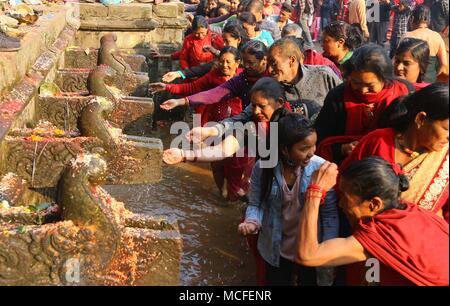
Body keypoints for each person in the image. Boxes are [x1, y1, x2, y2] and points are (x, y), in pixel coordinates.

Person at [296, 156, 449, 286]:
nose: (340, 204)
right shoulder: (409, 211)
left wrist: (314, 192)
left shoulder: (382, 233)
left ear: (374, 204)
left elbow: (307, 255)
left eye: (345, 197)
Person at [238, 112, 339, 286]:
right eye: (304, 148)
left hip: (310, 247)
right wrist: (252, 222)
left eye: (314, 145)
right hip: (275, 247)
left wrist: (328, 250)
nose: (311, 153)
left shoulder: (321, 169)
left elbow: (329, 215)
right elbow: (256, 203)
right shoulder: (263, 168)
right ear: (284, 149)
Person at [341, 83, 449, 220]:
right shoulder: (378, 141)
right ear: (421, 119)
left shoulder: (446, 159)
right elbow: (343, 184)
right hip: (361, 234)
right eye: (446, 129)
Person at [315, 44, 414, 165]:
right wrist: (343, 148)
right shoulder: (338, 97)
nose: (363, 90)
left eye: (370, 86)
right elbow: (321, 138)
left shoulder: (403, 93)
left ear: (385, 79)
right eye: (356, 83)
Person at [149, 46, 243, 126]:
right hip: (214, 120)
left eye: (228, 62)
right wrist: (167, 87)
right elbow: (192, 86)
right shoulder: (214, 75)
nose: (224, 65)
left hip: (239, 119)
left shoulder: (244, 76)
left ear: (237, 63)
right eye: (222, 61)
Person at [161, 22, 246, 83]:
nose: (224, 44)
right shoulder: (222, 56)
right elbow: (201, 69)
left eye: (227, 41)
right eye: (223, 41)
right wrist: (178, 74)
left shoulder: (247, 56)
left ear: (238, 40)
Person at [401, 5, 449, 82]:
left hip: (411, 82)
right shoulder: (436, 36)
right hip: (429, 81)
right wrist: (433, 76)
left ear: (412, 19)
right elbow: (444, 64)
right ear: (429, 20)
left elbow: (396, 61)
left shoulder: (407, 36)